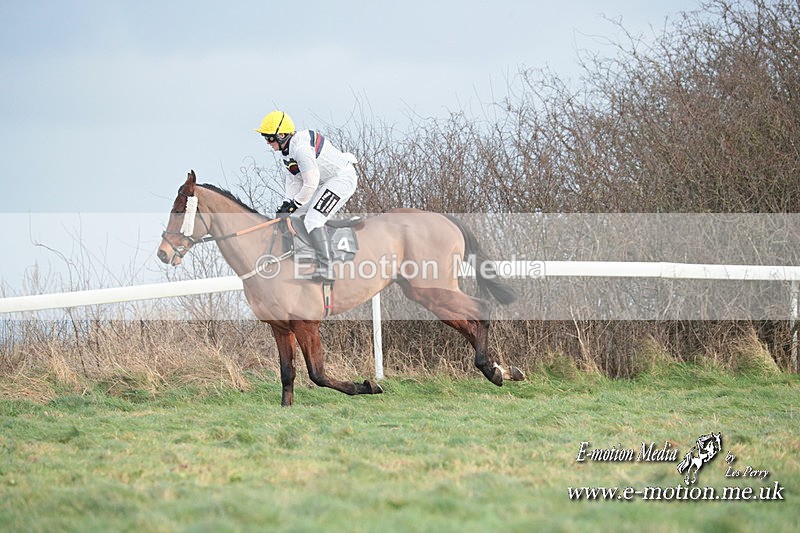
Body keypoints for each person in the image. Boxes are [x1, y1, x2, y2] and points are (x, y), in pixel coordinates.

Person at [256, 110, 358, 283]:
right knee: (297, 215)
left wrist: (294, 203)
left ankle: (327, 269)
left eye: (269, 138)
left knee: (313, 219)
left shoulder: (301, 149)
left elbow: (310, 182)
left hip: (341, 179)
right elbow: (295, 180)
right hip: (325, 181)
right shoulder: (287, 151)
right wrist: (287, 203)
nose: (267, 142)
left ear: (281, 135)